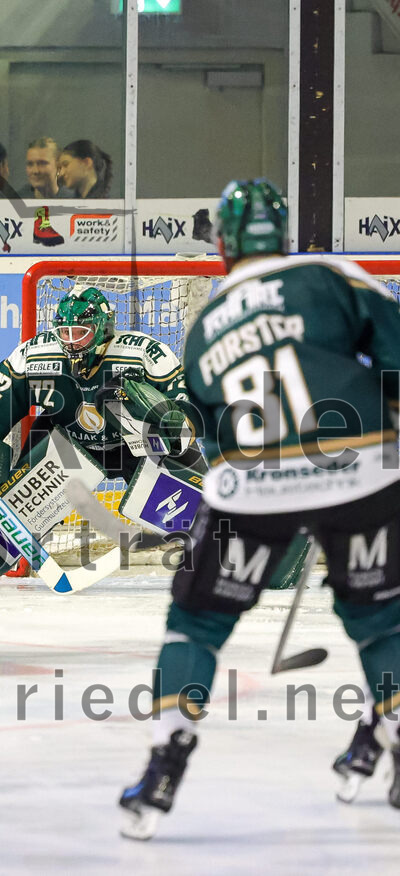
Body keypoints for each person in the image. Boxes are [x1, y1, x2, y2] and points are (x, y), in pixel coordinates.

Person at [118, 179, 400, 839]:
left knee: (196, 624)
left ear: (223, 244)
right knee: (382, 622)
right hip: (362, 466)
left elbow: (208, 431)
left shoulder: (205, 326)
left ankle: (164, 763)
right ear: (286, 231)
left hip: (251, 484)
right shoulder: (329, 275)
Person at [0, 284, 208, 589]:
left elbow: (186, 405)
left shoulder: (142, 353)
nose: (72, 342)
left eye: (81, 333)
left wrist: (177, 425)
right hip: (70, 445)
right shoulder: (34, 354)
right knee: (21, 497)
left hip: (135, 446)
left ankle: (223, 556)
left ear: (104, 329)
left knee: (192, 501)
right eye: (65, 332)